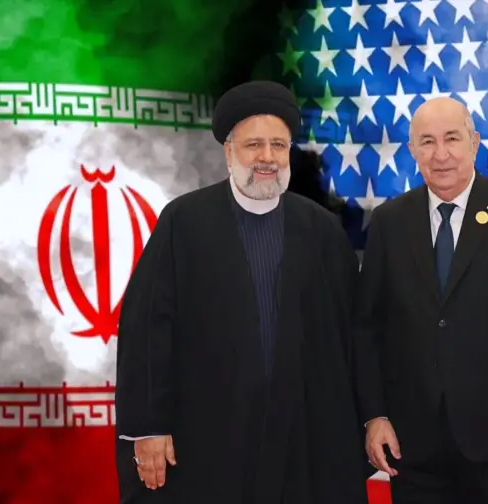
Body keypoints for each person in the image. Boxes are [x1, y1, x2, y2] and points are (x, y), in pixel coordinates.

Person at [113, 80, 369, 504]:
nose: (267, 157)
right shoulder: (184, 222)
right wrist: (149, 426)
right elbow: (147, 329)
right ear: (228, 152)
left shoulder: (321, 229)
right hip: (209, 433)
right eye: (254, 145)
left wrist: (370, 418)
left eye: (278, 145)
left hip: (304, 435)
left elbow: (354, 332)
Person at [353, 96, 488, 503]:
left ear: (474, 142)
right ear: (412, 150)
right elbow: (368, 328)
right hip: (413, 446)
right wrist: (375, 415)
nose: (441, 154)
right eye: (427, 142)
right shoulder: (389, 221)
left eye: (452, 138)